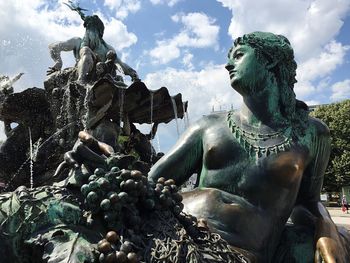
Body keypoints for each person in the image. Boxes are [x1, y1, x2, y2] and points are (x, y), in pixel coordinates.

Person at [148, 32, 349, 262]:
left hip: (242, 252)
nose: (227, 64)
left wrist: (327, 229)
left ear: (270, 61)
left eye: (239, 55)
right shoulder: (207, 126)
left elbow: (308, 203)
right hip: (180, 239)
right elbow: (150, 183)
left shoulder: (312, 133)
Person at [47, 3, 138, 84]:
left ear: (99, 32)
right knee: (86, 50)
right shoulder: (77, 42)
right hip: (80, 75)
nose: (90, 32)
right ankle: (81, 81)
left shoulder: (107, 49)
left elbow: (121, 65)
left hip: (101, 80)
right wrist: (58, 62)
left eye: (93, 29)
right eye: (88, 28)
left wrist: (133, 73)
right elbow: (53, 47)